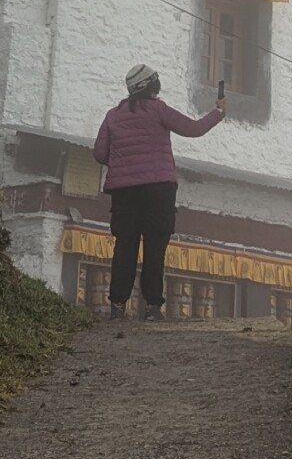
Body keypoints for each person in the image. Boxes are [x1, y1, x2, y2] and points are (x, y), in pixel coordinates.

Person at [92, 64, 224, 320]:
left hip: (124, 193)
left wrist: (124, 163)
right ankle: (153, 307)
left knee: (125, 246)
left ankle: (117, 306)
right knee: (155, 247)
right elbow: (193, 129)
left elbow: (99, 153)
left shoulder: (113, 116)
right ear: (153, 86)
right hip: (159, 191)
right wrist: (218, 112)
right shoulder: (159, 110)